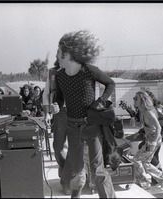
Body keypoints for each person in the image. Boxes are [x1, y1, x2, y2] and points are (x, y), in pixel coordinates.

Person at [52, 30, 116, 198]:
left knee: (97, 168)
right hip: (72, 126)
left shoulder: (89, 70)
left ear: (67, 54)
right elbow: (59, 98)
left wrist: (101, 100)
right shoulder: (59, 76)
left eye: (59, 53)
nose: (57, 56)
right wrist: (56, 106)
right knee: (76, 169)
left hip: (90, 125)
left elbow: (110, 83)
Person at [132, 91, 163, 190]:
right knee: (145, 163)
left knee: (137, 159)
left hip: (153, 139)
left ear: (142, 100)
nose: (134, 100)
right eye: (134, 98)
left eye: (136, 98)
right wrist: (133, 122)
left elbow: (158, 126)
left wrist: (153, 142)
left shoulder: (149, 112)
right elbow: (141, 125)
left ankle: (144, 182)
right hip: (150, 138)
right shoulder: (142, 111)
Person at [43, 60, 70, 195]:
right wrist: (47, 113)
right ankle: (66, 175)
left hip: (77, 113)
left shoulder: (78, 70)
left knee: (76, 149)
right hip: (60, 113)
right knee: (58, 148)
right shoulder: (53, 73)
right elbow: (46, 93)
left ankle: (67, 182)